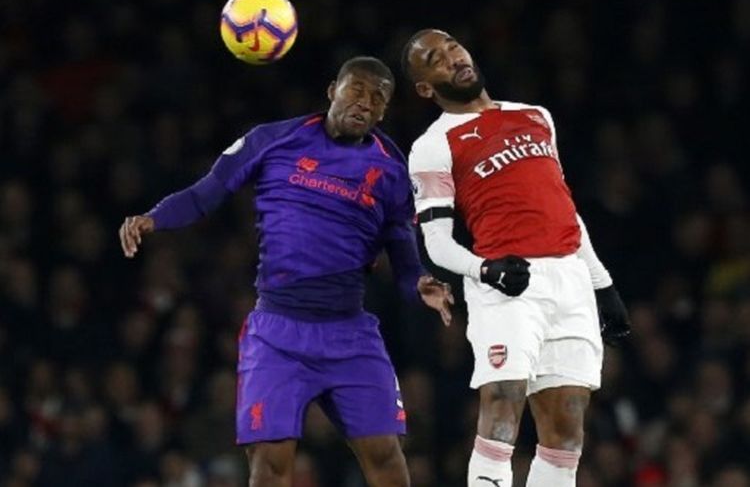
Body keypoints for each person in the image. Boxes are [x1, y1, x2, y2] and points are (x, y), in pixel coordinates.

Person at [118, 56, 453, 487]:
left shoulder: (390, 167)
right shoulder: (272, 140)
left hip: (349, 334)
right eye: (357, 89)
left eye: (378, 97)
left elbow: (402, 246)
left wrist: (419, 282)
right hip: (278, 334)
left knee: (387, 458)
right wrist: (154, 217)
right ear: (333, 89)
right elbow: (207, 192)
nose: (365, 103)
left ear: (384, 111)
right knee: (272, 465)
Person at [401, 29, 630, 486]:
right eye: (435, 59)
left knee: (566, 428)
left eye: (452, 46)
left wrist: (602, 284)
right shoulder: (434, 145)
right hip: (508, 282)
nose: (452, 57)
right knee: (502, 405)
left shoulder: (536, 116)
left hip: (569, 279)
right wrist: (484, 270)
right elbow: (437, 242)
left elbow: (565, 208)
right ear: (425, 87)